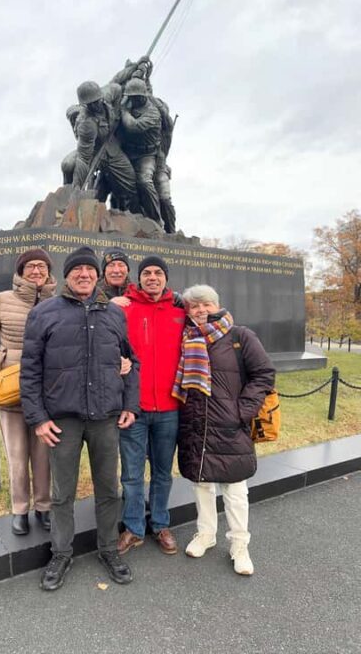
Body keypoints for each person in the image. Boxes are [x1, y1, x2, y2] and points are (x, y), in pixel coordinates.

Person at [21, 246, 139, 591]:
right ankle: (61, 553)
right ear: (68, 275)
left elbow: (131, 362)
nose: (84, 275)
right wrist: (38, 419)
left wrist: (130, 404)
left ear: (97, 275)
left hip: (105, 418)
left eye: (90, 270)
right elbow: (29, 371)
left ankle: (107, 549)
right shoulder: (44, 313)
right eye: (77, 270)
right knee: (62, 494)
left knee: (108, 490)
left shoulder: (114, 315)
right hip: (64, 421)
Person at [173, 284, 275, 576]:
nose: (200, 310)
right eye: (194, 306)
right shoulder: (187, 338)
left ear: (217, 305)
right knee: (202, 483)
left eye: (205, 304)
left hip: (230, 425)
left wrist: (242, 411)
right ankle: (206, 534)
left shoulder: (239, 336)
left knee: (234, 487)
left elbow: (264, 374)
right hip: (196, 425)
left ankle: (239, 545)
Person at [0, 249, 56, 536]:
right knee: (17, 456)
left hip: (47, 394)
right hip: (12, 392)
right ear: (20, 271)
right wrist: (2, 361)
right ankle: (20, 509)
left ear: (48, 270)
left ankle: (44, 507)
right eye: (30, 266)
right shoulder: (2, 300)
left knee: (43, 456)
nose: (36, 271)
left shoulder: (57, 302)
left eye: (41, 266)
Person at [117, 256, 186, 556]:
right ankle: (133, 528)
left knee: (162, 472)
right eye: (147, 273)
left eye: (158, 273)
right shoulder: (124, 308)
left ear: (166, 278)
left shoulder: (179, 310)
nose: (153, 277)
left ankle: (160, 524)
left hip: (169, 408)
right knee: (131, 474)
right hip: (134, 408)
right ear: (139, 278)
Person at [71, 81, 136, 209]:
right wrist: (77, 187)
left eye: (96, 101)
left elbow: (117, 87)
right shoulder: (86, 123)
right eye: (90, 104)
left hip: (112, 145)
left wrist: (118, 110)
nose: (95, 105)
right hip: (96, 151)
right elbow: (83, 158)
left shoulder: (109, 93)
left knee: (130, 179)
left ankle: (129, 211)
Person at [118, 78, 163, 224]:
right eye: (131, 97)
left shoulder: (153, 113)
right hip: (128, 152)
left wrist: (124, 110)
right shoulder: (129, 103)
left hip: (146, 155)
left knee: (144, 182)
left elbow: (133, 126)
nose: (134, 100)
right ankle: (129, 216)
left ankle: (156, 220)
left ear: (143, 96)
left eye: (136, 97)